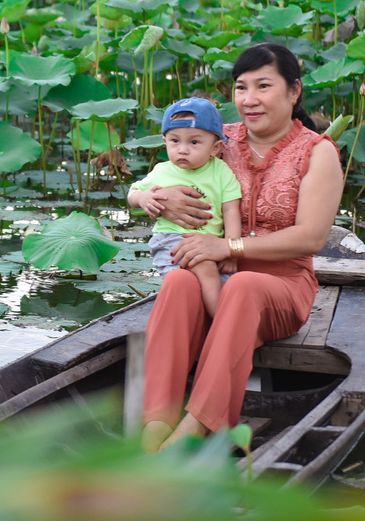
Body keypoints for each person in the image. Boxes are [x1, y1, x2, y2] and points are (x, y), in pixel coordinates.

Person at [139, 43, 344, 454]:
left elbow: (311, 238)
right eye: (240, 87)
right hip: (211, 274)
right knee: (178, 283)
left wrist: (227, 246)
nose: (248, 100)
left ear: (294, 91)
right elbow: (161, 179)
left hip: (281, 285)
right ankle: (155, 423)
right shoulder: (215, 140)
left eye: (263, 86)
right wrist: (163, 199)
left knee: (244, 286)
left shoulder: (318, 153)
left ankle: (199, 425)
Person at [127, 97, 242, 317]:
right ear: (165, 141)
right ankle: (221, 322)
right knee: (206, 269)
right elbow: (132, 193)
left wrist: (231, 251)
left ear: (215, 148)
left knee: (227, 282)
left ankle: (207, 319)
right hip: (172, 239)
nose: (182, 150)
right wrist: (142, 198)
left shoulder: (221, 172)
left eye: (194, 143)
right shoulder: (162, 171)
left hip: (212, 244)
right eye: (174, 141)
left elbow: (231, 211)